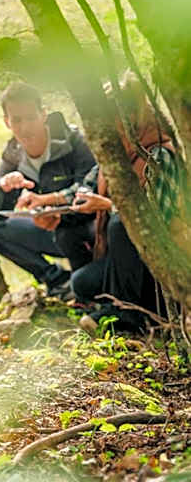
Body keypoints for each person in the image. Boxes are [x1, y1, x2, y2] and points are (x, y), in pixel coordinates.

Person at [70, 95, 183, 334]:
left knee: (120, 224)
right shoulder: (117, 156)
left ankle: (127, 317)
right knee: (82, 282)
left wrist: (109, 206)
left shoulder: (158, 155)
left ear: (133, 122)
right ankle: (127, 310)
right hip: (131, 262)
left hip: (161, 267)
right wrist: (50, 201)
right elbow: (84, 185)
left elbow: (157, 224)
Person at [0, 83, 96, 297]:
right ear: (7, 122)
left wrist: (47, 202)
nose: (25, 127)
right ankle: (58, 281)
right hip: (46, 229)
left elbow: (90, 187)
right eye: (17, 120)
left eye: (31, 118)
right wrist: (5, 188)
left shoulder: (73, 141)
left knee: (68, 234)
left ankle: (84, 288)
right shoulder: (12, 153)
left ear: (43, 114)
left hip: (85, 230)